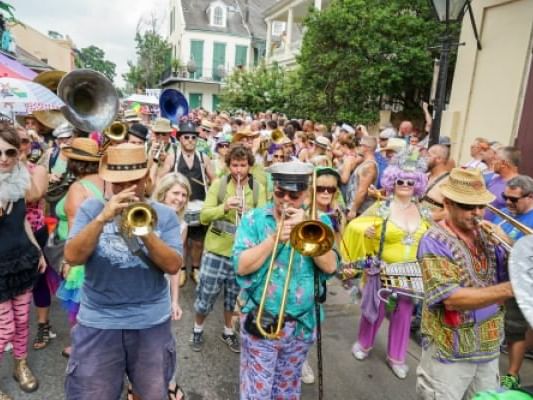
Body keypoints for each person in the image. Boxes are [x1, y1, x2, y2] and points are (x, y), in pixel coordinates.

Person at [63, 143, 183, 400]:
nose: (125, 190)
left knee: (150, 393)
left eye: (133, 182)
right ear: (107, 182)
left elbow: (173, 265)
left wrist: (144, 229)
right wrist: (101, 219)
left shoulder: (164, 215)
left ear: (146, 179)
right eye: (117, 184)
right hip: (99, 320)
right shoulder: (91, 209)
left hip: (150, 321)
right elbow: (72, 257)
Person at [233, 160, 338, 399]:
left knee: (287, 390)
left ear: (306, 193)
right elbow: (241, 266)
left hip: (302, 324)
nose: (286, 200)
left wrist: (306, 229)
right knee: (257, 392)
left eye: (295, 194)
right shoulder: (254, 219)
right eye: (280, 193)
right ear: (273, 189)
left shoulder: (320, 222)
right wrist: (274, 239)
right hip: (262, 319)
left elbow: (331, 266)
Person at [416, 168, 514, 400]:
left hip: (489, 348)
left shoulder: (488, 234)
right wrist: (510, 289)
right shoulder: (434, 241)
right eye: (469, 207)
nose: (478, 213)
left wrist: (509, 242)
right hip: (450, 352)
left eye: (482, 206)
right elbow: (451, 298)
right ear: (449, 204)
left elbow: (510, 269)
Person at [343, 150, 430, 379]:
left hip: (410, 272)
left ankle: (397, 356)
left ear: (417, 184)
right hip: (383, 269)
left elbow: (429, 240)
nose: (404, 185)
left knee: (404, 314)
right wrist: (368, 233)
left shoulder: (423, 211)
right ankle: (364, 343)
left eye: (410, 182)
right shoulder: (382, 207)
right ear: (392, 181)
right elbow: (355, 228)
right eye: (400, 180)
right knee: (374, 310)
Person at [191, 145, 266, 353]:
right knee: (206, 294)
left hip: (242, 253)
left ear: (250, 166)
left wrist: (249, 212)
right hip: (216, 250)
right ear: (228, 165)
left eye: (243, 165)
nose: (239, 170)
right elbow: (204, 216)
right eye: (235, 165)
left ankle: (228, 331)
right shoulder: (219, 185)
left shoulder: (258, 188)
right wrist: (224, 207)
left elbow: (264, 221)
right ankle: (197, 328)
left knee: (233, 298)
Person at [0, 126, 46, 399]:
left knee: (21, 321)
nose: (4, 158)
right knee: (4, 326)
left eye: (10, 152)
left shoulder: (18, 180)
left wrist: (37, 251)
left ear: (19, 154)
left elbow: (23, 221)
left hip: (22, 259)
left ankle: (21, 365)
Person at [54, 138, 104, 358]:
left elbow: (75, 229)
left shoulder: (78, 187)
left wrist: (68, 261)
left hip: (81, 253)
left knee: (80, 306)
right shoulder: (106, 181)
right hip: (100, 249)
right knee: (97, 303)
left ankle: (82, 347)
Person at [494, 175, 533, 390]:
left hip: (522, 284)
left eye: (514, 199)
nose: (508, 203)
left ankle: (512, 374)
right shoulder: (508, 215)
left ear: (530, 197)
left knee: (515, 330)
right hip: (501, 279)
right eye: (505, 198)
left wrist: (507, 240)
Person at [174, 121, 214, 286]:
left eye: (193, 137)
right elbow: (163, 178)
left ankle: (196, 268)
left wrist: (213, 198)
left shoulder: (203, 157)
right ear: (180, 139)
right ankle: (182, 269)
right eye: (186, 137)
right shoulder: (173, 156)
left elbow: (215, 179)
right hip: (180, 205)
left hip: (199, 205)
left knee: (198, 241)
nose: (190, 140)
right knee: (180, 241)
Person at [346, 136, 378, 220]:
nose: (358, 147)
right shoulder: (365, 163)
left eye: (359, 145)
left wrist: (353, 210)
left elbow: (362, 191)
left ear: (365, 147)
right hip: (357, 210)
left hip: (361, 211)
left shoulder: (369, 166)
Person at [485, 146, 520, 221]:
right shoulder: (494, 179)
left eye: (495, 159)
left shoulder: (518, 185)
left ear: (503, 163)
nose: (492, 162)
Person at [422, 144, 451, 221]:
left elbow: (450, 213)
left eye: (428, 155)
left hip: (431, 228)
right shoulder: (425, 176)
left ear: (438, 159)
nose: (424, 159)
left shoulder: (448, 182)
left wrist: (426, 217)